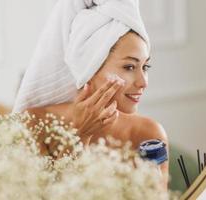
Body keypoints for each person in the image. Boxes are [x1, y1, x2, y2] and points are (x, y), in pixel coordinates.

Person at [13, 0, 169, 186]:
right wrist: (80, 137)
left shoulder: (148, 134)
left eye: (145, 66)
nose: (143, 82)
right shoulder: (35, 125)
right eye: (129, 67)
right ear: (89, 68)